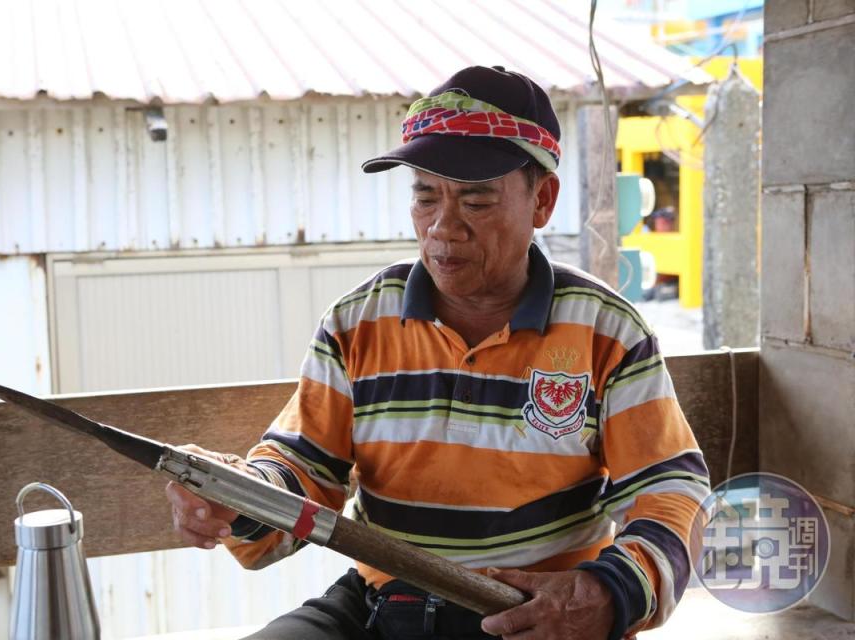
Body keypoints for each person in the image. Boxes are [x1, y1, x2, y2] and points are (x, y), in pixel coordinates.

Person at [166, 65, 710, 640]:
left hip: (533, 615)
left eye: (476, 201)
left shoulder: (606, 333)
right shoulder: (358, 323)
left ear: (542, 200)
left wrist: (604, 594)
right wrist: (241, 497)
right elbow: (303, 470)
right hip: (383, 605)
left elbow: (671, 493)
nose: (442, 229)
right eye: (425, 196)